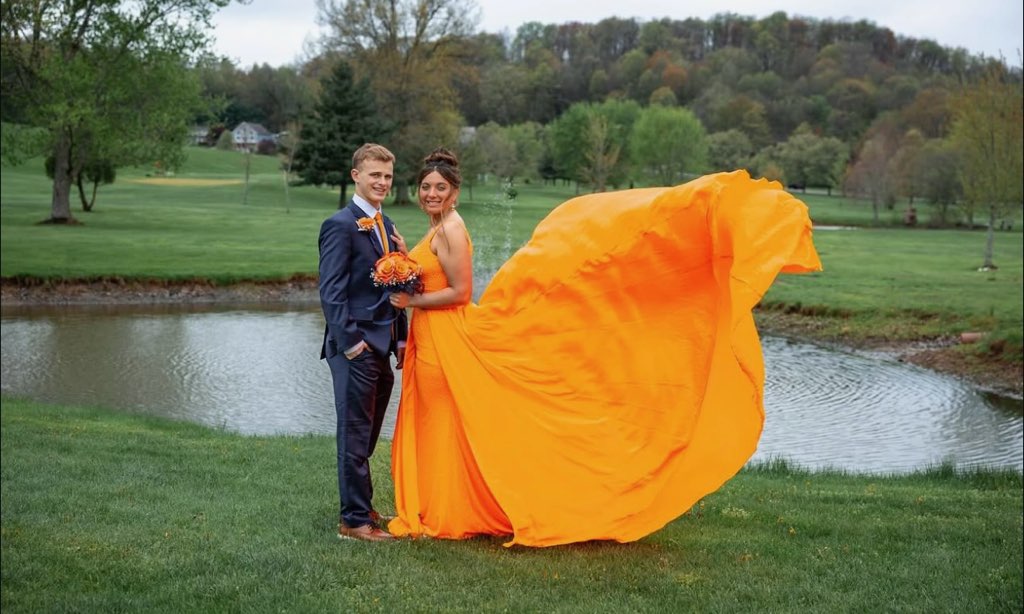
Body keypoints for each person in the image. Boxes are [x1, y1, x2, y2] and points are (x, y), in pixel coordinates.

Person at [387, 148, 822, 547]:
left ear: (455, 192)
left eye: (440, 187)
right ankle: (444, 504)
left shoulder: (453, 230)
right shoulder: (438, 228)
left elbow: (461, 293)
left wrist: (413, 300)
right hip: (433, 338)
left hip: (448, 337)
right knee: (444, 422)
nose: (431, 193)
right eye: (425, 187)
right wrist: (407, 264)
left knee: (446, 418)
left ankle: (450, 512)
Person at [318, 143, 408, 543]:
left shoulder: (386, 226)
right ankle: (354, 522)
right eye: (375, 175)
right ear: (356, 175)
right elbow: (331, 292)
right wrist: (351, 343)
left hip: (383, 344)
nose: (382, 183)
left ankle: (363, 507)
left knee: (367, 435)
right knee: (354, 434)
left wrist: (400, 336)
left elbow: (398, 284)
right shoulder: (340, 224)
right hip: (356, 348)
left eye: (387, 176)